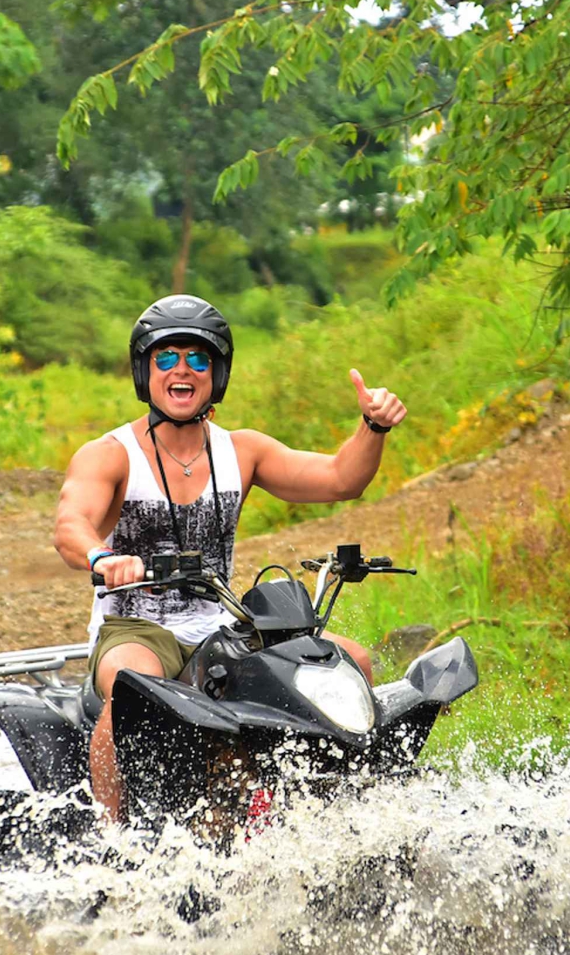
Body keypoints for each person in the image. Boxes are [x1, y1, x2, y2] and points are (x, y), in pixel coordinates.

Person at [53, 294, 406, 819]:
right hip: (137, 626)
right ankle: (114, 836)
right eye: (166, 357)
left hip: (222, 624)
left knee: (350, 659)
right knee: (132, 688)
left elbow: (340, 478)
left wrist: (372, 427)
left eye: (198, 359)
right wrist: (103, 558)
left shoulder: (242, 451)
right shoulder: (109, 454)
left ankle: (343, 813)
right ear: (143, 369)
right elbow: (69, 525)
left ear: (216, 373)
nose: (182, 369)